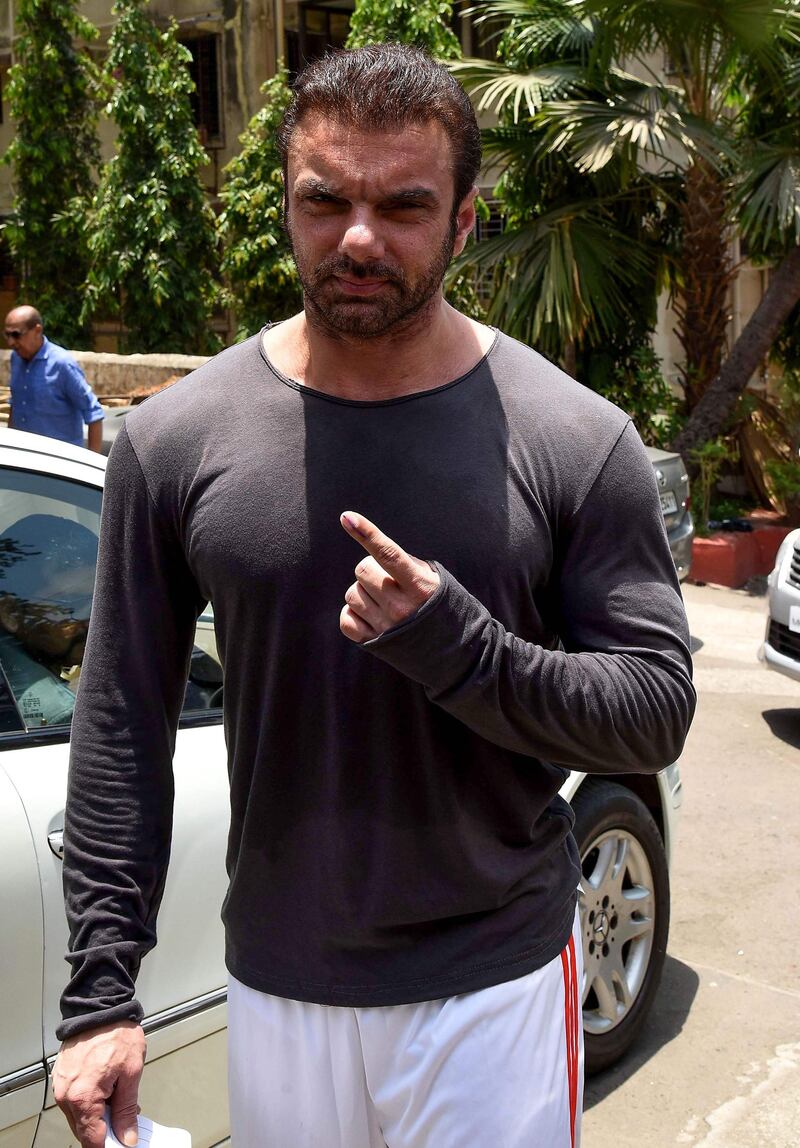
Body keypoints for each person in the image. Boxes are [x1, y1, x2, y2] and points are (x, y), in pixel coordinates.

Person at [52, 43, 695, 1148]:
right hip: (278, 983)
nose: (358, 237)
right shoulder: (172, 444)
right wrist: (100, 992)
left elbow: (651, 705)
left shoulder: (573, 440)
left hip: (493, 982)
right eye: (324, 200)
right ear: (284, 205)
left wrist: (464, 650)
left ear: (461, 221)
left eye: (402, 205)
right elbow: (119, 725)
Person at [5, 305, 104, 451]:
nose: (11, 342)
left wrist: (95, 467)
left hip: (59, 465)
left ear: (37, 330)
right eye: (7, 335)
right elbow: (16, 404)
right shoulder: (16, 359)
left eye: (16, 335)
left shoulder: (61, 364)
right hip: (24, 461)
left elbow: (94, 413)